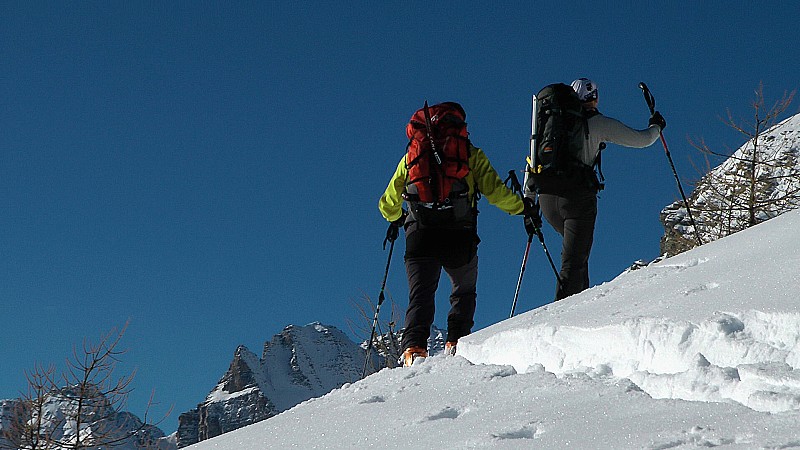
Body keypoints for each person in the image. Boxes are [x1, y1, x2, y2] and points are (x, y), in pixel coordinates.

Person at [379, 101, 537, 367]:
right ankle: (457, 342)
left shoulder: (412, 156)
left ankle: (414, 349)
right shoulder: (470, 154)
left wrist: (399, 218)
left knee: (421, 294)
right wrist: (523, 208)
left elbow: (387, 203)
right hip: (459, 234)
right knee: (463, 291)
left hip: (420, 236)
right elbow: (496, 193)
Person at [524, 78, 666, 301]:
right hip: (577, 198)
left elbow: (532, 162)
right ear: (593, 98)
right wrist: (656, 127)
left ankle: (579, 307)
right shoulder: (597, 123)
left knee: (577, 258)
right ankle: (562, 317)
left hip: (547, 199)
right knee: (574, 262)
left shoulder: (549, 125)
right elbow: (642, 140)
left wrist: (529, 203)